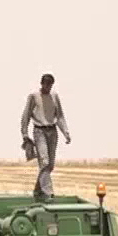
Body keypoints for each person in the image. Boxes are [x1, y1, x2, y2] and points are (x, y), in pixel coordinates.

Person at [19, 72, 71, 201]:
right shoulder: (34, 96)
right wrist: (25, 134)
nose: (48, 87)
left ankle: (38, 191)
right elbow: (26, 116)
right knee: (44, 161)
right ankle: (48, 192)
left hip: (52, 131)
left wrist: (66, 132)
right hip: (39, 131)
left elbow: (59, 116)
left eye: (51, 85)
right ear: (42, 84)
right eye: (46, 85)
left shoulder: (54, 96)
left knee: (50, 166)